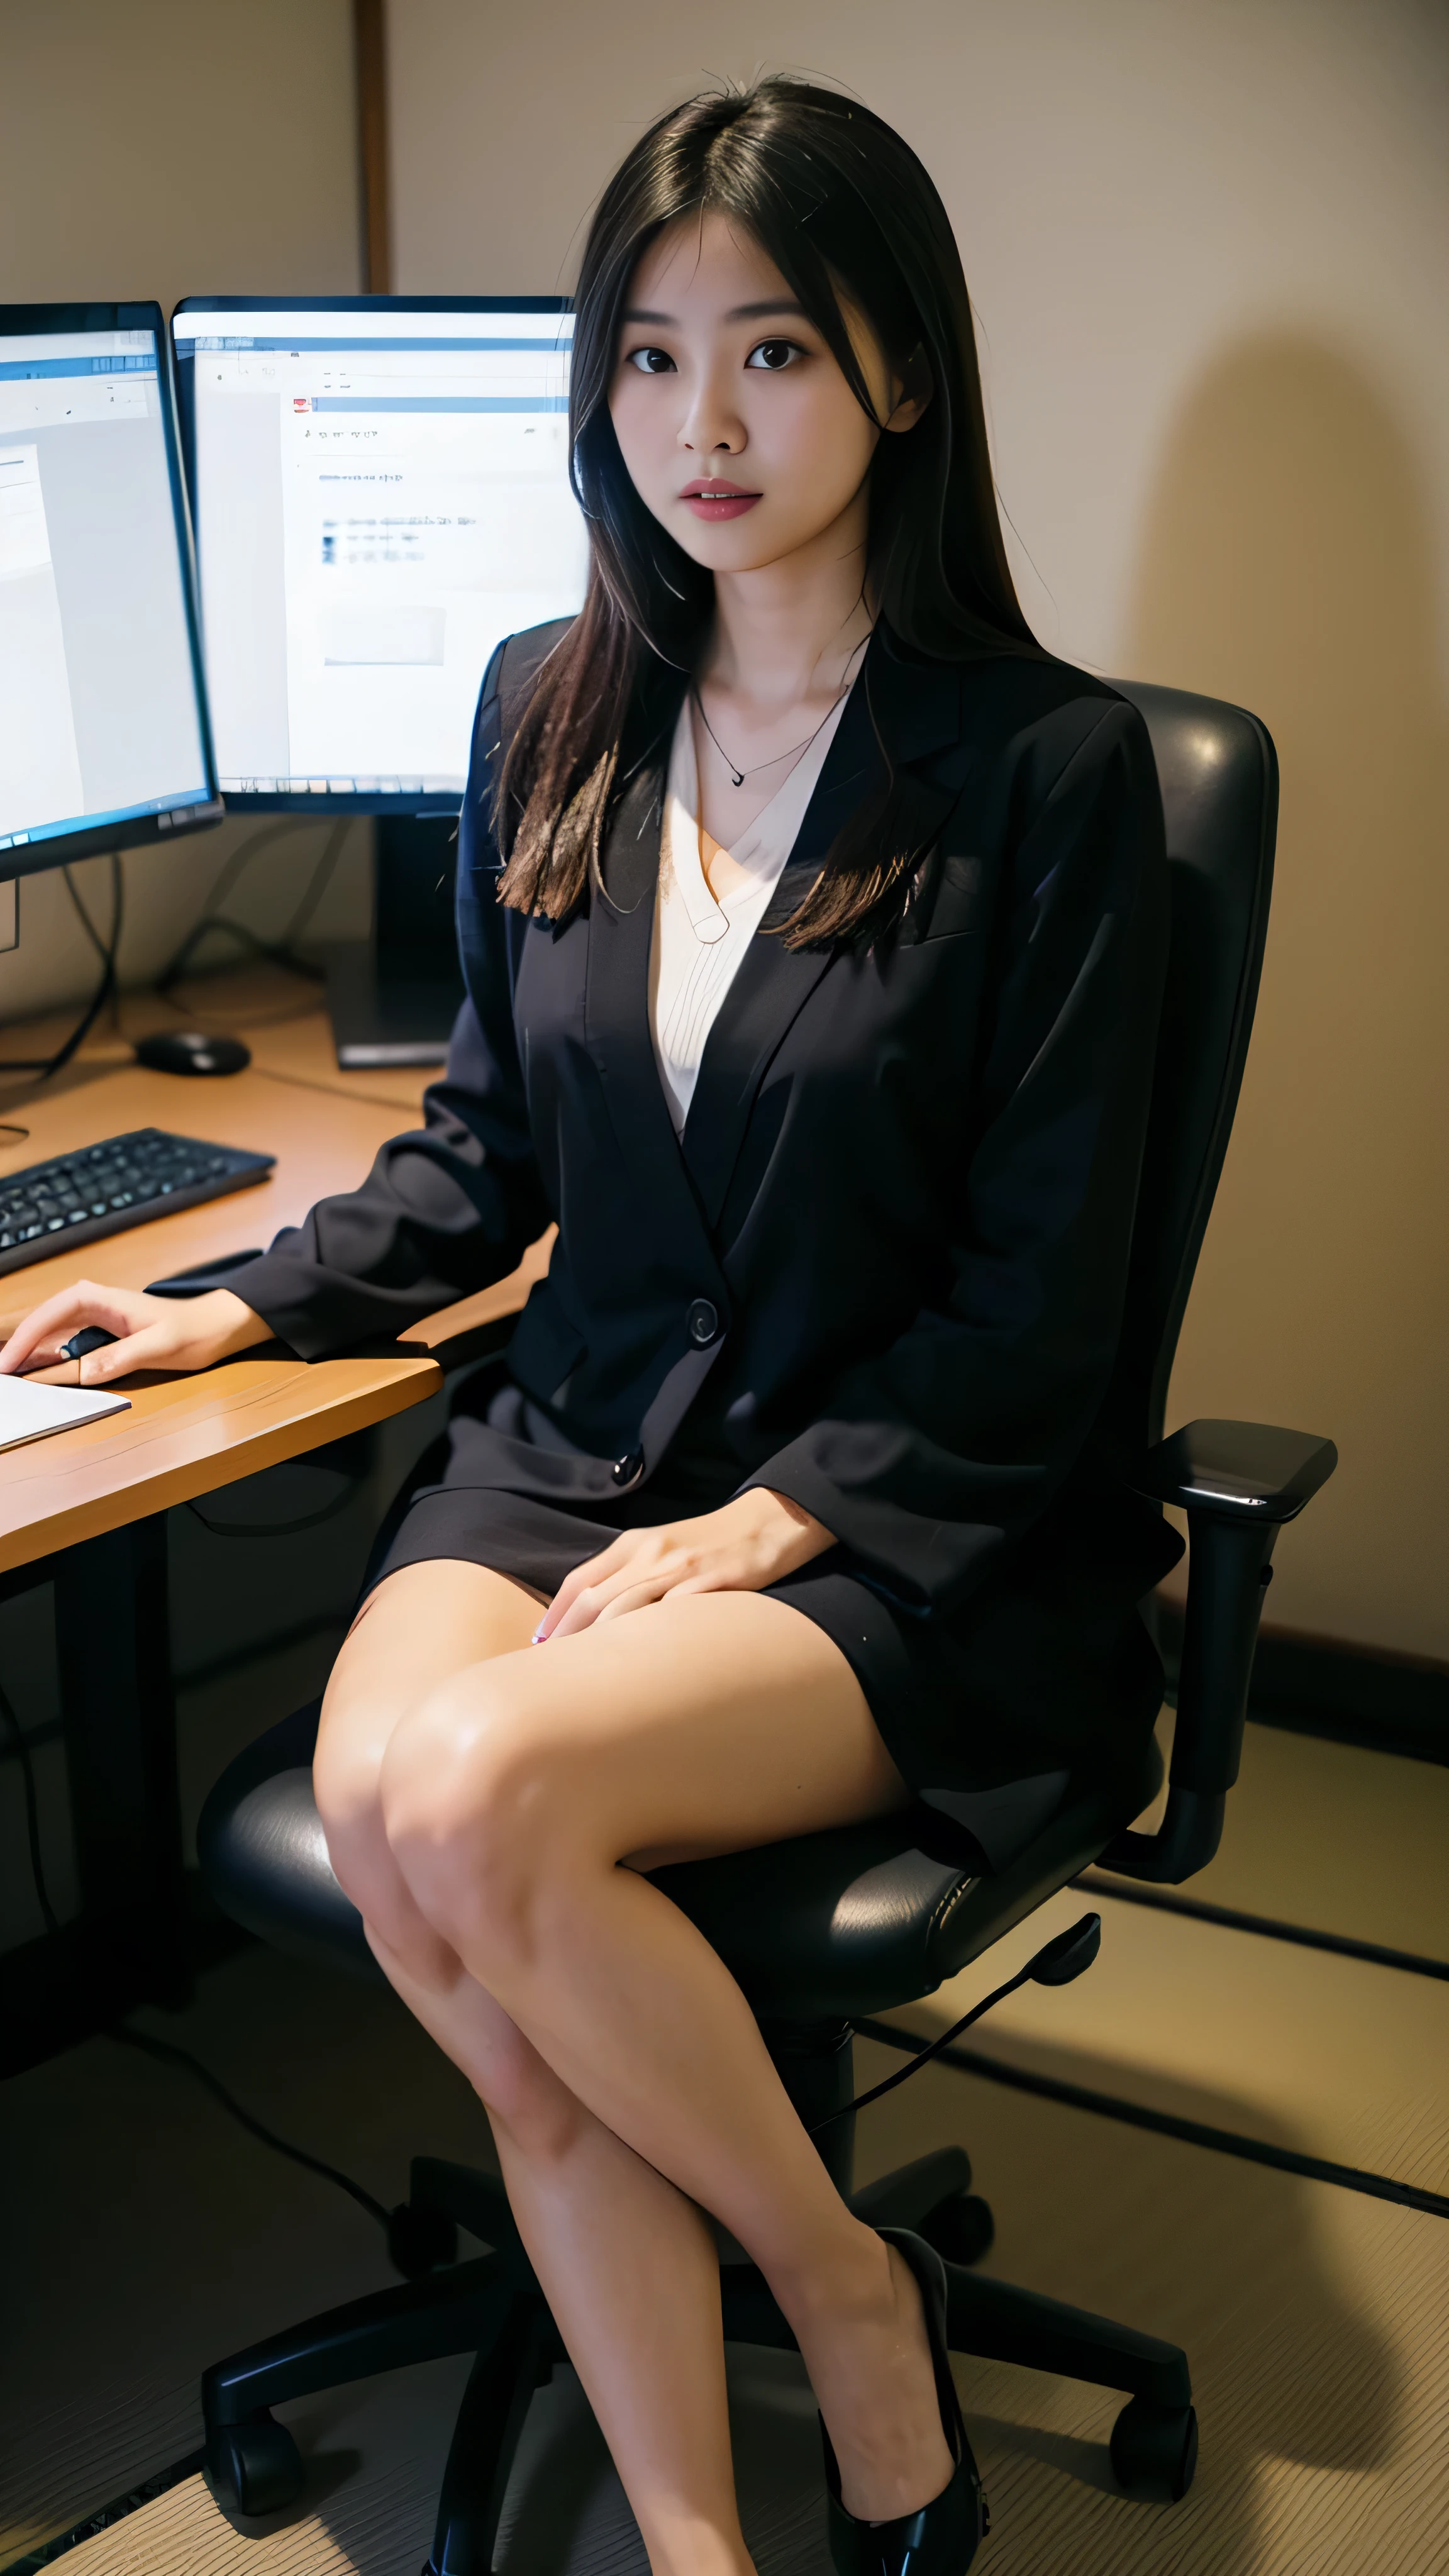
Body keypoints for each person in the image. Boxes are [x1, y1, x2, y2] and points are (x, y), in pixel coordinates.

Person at [2, 80, 1178, 2576]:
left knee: (465, 1808)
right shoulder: (551, 702)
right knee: (450, 1872)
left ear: (903, 373)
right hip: (577, 1448)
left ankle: (847, 2301)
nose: (704, 425)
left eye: (770, 351)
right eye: (648, 359)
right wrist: (222, 1303)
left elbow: (1041, 1311)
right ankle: (694, 2540)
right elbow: (483, 1168)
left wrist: (773, 1523)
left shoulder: (1049, 778)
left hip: (902, 1510)